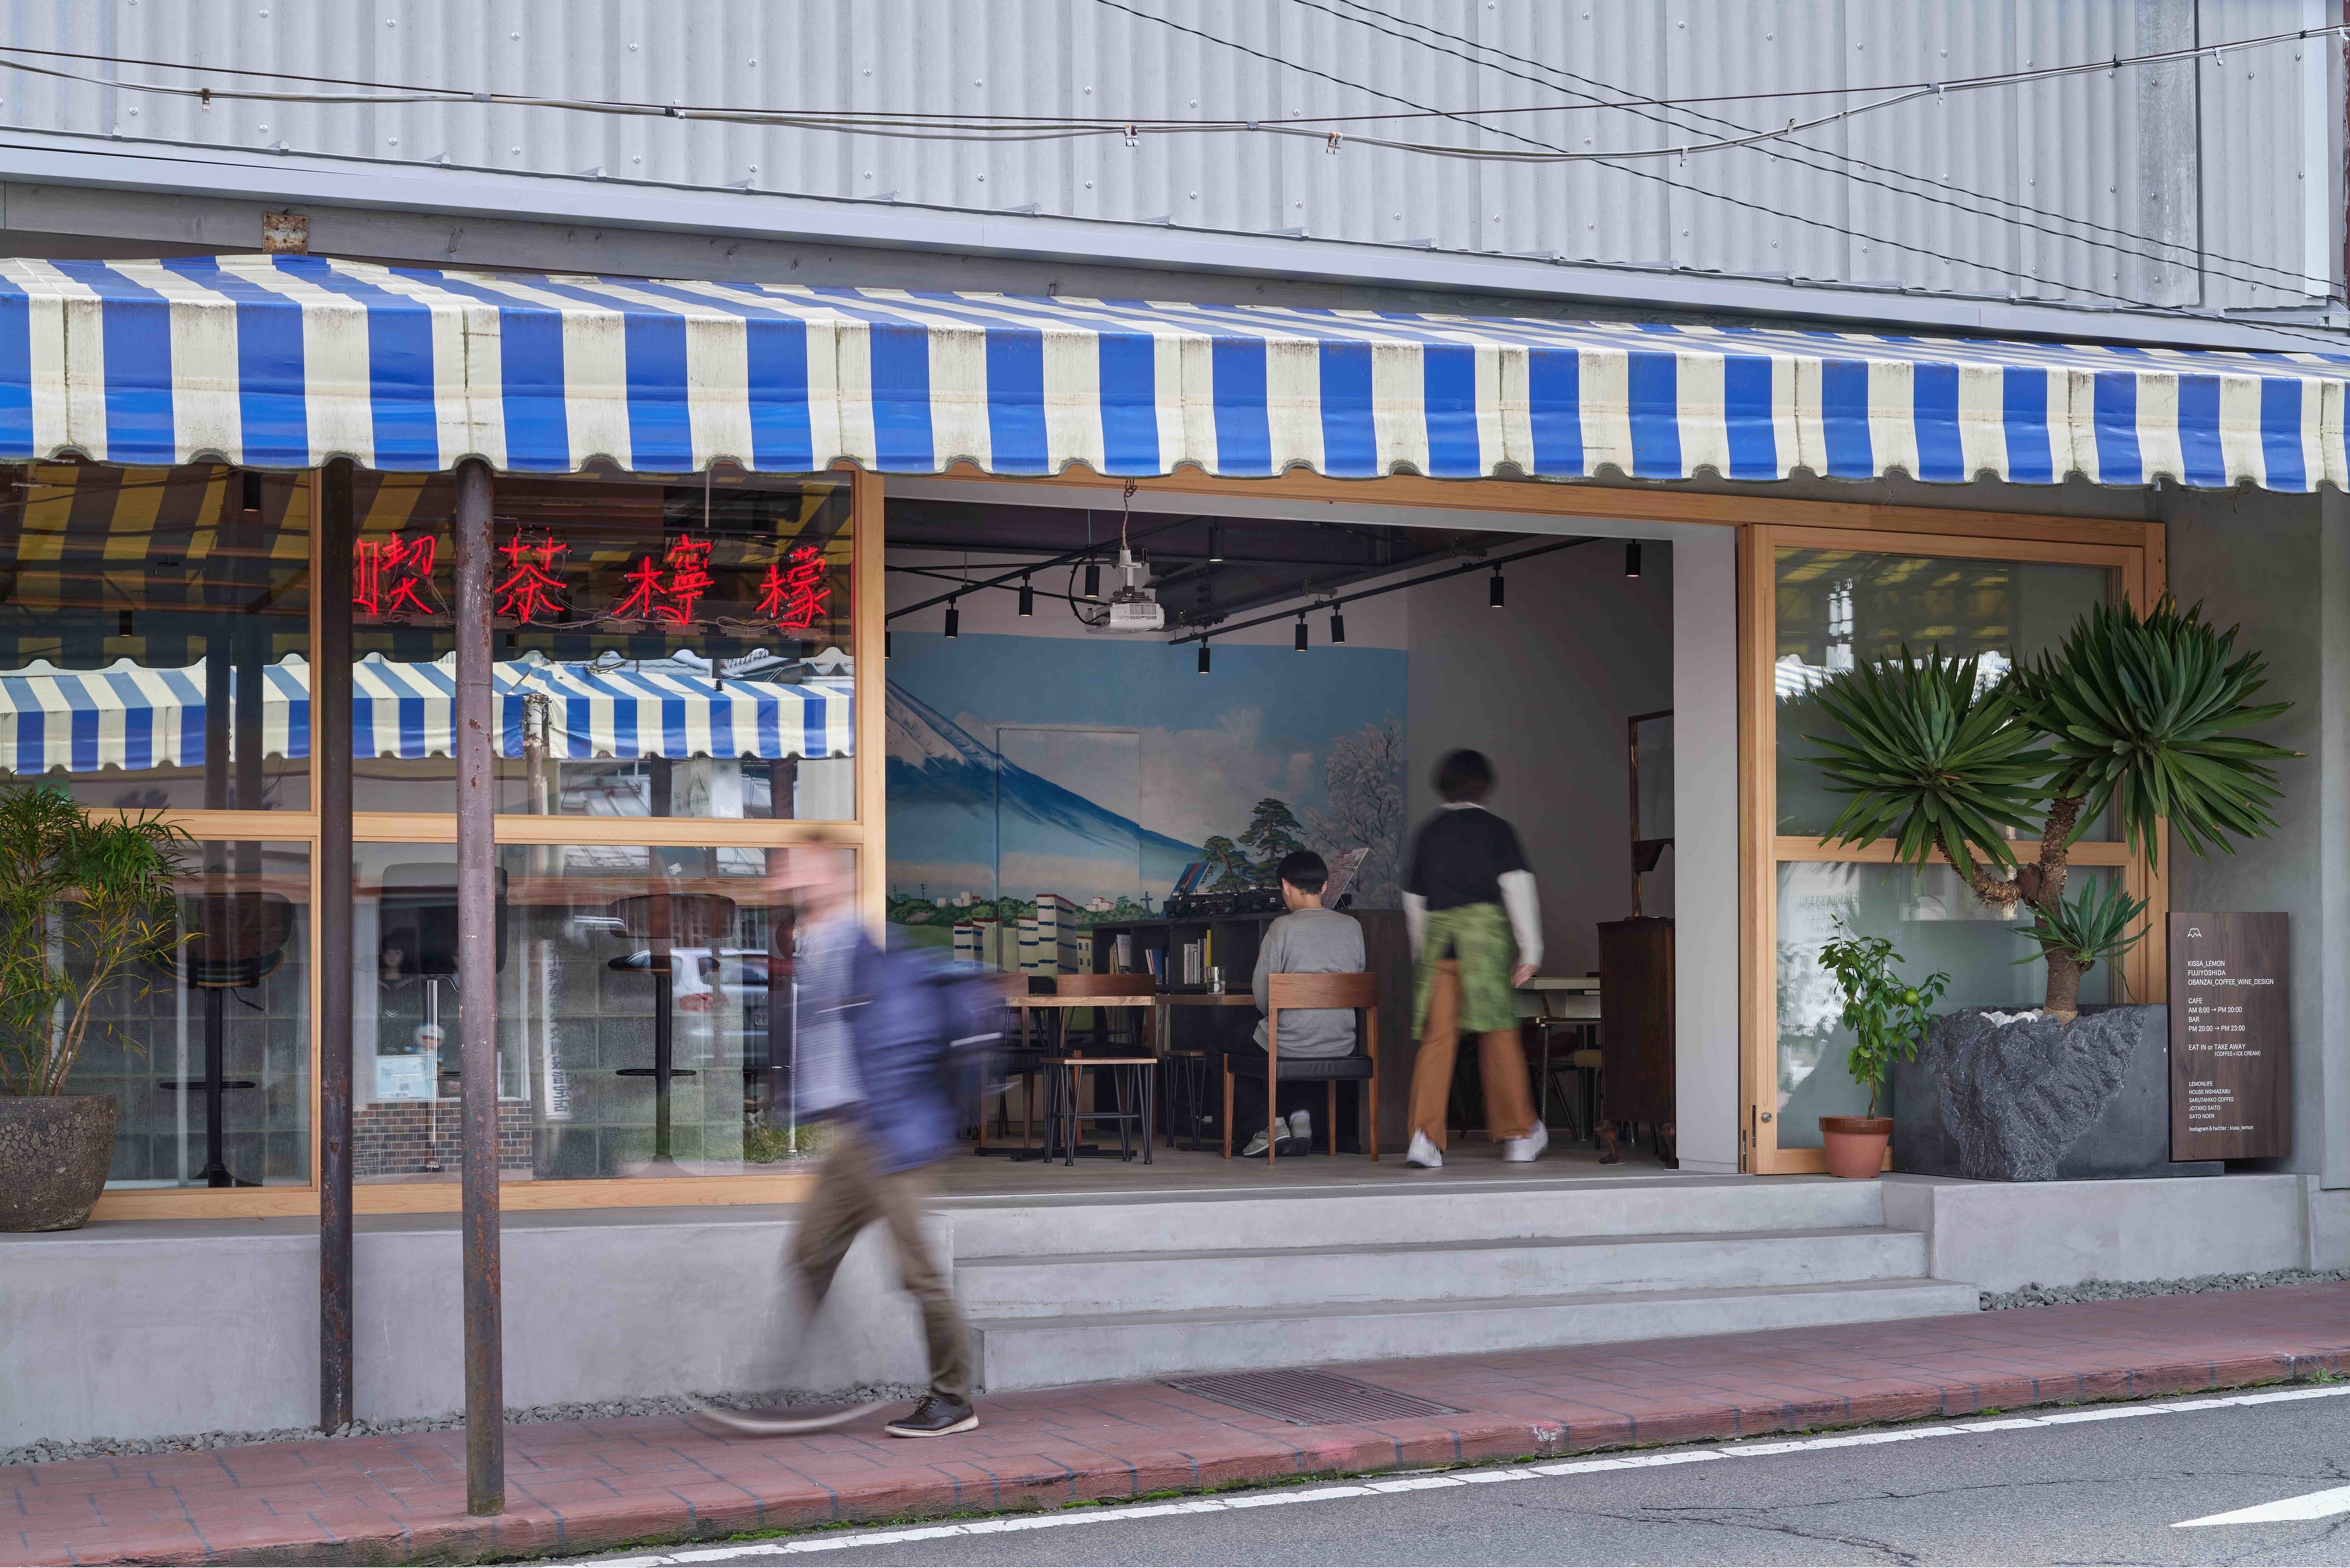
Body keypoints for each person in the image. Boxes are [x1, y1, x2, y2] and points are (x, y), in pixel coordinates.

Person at [785, 844, 989, 1438]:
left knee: (917, 1273)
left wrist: (886, 1122)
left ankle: (952, 1399)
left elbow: (904, 1045)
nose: (790, 878)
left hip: (895, 1136)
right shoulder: (818, 948)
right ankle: (794, 1382)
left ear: (838, 878)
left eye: (804, 868)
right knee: (810, 1251)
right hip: (856, 1136)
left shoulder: (876, 957)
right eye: (789, 868)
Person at [1402, 749, 1544, 1169]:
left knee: (1437, 1040)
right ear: (1484, 785)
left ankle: (1424, 1137)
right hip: (1484, 945)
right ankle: (1518, 1135)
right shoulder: (1497, 830)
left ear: (1442, 786)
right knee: (1498, 1035)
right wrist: (1530, 948)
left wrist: (1422, 954)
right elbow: (1518, 887)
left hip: (1440, 945)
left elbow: (1414, 900)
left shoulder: (1428, 833)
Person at [1234, 849, 1365, 1157]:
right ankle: (1301, 1117)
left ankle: (1268, 1126)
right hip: (1341, 1042)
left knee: (1227, 1047)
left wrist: (1275, 1014)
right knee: (1299, 1040)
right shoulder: (1352, 927)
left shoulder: (1282, 927)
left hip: (1291, 1040)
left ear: (1285, 886)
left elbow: (1262, 994)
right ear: (1324, 887)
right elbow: (1358, 978)